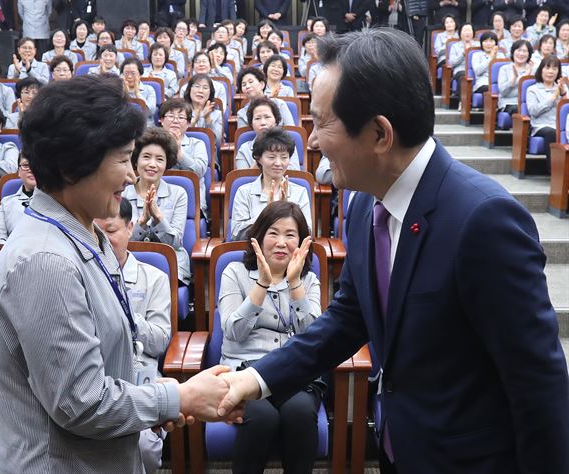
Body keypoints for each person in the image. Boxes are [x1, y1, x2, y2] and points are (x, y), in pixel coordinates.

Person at [217, 28, 569, 474]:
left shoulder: (484, 220)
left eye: (323, 122)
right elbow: (349, 318)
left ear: (380, 134)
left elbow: (538, 386)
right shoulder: (365, 204)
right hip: (399, 449)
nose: (311, 142)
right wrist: (255, 379)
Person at [0, 73, 239, 474]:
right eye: (122, 159)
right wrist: (178, 399)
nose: (133, 175)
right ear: (71, 167)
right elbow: (81, 402)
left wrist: (156, 397)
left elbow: (104, 367)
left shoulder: (87, 235)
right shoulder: (46, 261)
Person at [220, 200, 319, 473]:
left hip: (294, 372)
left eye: (290, 235)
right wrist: (262, 283)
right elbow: (233, 332)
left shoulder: (309, 280)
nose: (281, 242)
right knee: (262, 417)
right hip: (244, 372)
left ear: (301, 242)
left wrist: (295, 283)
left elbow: (314, 338)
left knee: (299, 413)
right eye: (273, 233)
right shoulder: (235, 272)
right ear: (260, 236)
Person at [94, 197, 171, 474]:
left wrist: (126, 314)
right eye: (96, 232)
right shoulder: (77, 275)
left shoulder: (154, 278)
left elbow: (161, 340)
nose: (102, 241)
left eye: (111, 231)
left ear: (130, 228)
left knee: (142, 447)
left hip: (140, 378)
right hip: (92, 378)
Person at [123, 127, 191, 285]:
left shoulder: (178, 194)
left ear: (167, 163)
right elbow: (120, 241)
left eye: (160, 159)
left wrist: (158, 217)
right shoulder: (122, 194)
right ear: (136, 159)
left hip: (171, 264)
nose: (152, 164)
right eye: (146, 157)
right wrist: (141, 222)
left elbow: (176, 243)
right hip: (129, 263)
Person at [230, 127, 311, 241]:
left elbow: (307, 233)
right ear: (259, 159)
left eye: (284, 157)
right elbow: (237, 235)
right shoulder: (244, 192)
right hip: (253, 254)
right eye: (271, 157)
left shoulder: (300, 192)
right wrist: (268, 212)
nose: (278, 163)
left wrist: (287, 213)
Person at [158, 98, 208, 216]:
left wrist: (179, 152)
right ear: (161, 120)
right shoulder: (152, 143)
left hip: (192, 202)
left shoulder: (197, 144)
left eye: (181, 117)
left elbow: (199, 171)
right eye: (170, 116)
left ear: (188, 123)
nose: (175, 121)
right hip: (157, 200)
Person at [235, 97, 300, 170]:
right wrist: (260, 160)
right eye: (257, 118)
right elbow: (243, 179)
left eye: (267, 117)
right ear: (251, 124)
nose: (263, 122)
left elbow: (294, 174)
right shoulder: (244, 150)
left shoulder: (288, 144)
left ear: (276, 121)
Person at [527, 54, 566, 172]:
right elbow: (533, 111)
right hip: (541, 126)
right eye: (547, 68)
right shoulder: (533, 89)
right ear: (541, 70)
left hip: (561, 127)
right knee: (553, 133)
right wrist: (553, 97)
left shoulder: (562, 88)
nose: (551, 72)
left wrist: (563, 95)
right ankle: (554, 172)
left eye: (554, 69)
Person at [0, 154, 34, 242]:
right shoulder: (6, 203)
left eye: (37, 165)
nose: (31, 170)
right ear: (19, 172)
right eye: (26, 165)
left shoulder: (56, 201)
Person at [184, 74, 223, 145]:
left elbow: (217, 143)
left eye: (205, 88)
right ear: (189, 89)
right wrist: (193, 121)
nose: (200, 91)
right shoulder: (181, 112)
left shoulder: (217, 114)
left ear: (210, 93)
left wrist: (207, 119)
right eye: (197, 86)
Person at [498, 39, 534, 114]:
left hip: (529, 104)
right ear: (513, 52)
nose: (521, 54)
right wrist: (515, 79)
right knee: (519, 109)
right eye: (519, 50)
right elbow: (503, 93)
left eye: (524, 51)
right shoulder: (504, 69)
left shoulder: (533, 70)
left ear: (529, 54)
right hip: (509, 103)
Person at [121, 57, 157, 129]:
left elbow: (150, 112)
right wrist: (125, 93)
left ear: (140, 74)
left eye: (133, 73)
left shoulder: (149, 89)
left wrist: (137, 93)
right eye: (126, 73)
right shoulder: (118, 90)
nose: (129, 76)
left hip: (146, 127)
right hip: (123, 127)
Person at [449, 22, 477, 98]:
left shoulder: (478, 45)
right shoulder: (455, 46)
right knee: (463, 77)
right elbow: (451, 63)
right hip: (460, 70)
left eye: (469, 31)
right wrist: (462, 55)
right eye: (465, 31)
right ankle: (463, 102)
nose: (467, 33)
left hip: (475, 70)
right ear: (460, 33)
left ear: (473, 33)